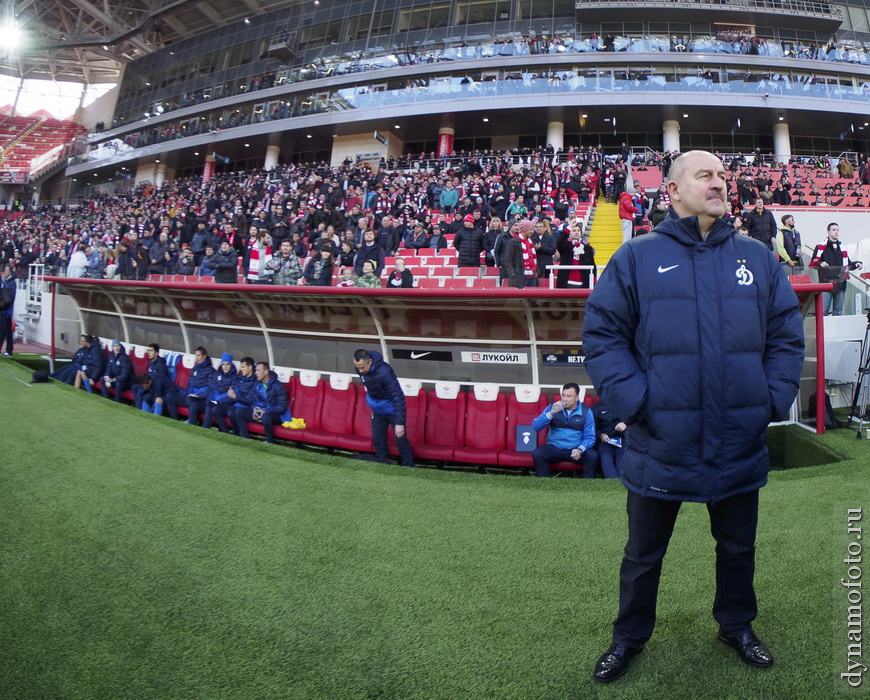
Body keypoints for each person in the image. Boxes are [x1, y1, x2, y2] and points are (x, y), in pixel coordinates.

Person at [583, 150, 804, 683]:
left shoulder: (757, 256)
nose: (719, 183)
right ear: (674, 192)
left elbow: (785, 337)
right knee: (643, 555)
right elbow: (603, 335)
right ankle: (629, 637)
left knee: (737, 548)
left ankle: (737, 626)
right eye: (704, 175)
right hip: (661, 442)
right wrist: (639, 405)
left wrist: (770, 402)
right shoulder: (635, 257)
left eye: (723, 176)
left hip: (738, 440)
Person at [353, 349, 414, 467]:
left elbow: (398, 397)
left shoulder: (385, 372)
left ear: (370, 361)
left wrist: (399, 422)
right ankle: (383, 465)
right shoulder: (360, 369)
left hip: (392, 409)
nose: (359, 370)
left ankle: (409, 467)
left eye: (362, 367)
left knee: (400, 439)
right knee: (378, 440)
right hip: (378, 410)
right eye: (357, 367)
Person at [530, 383, 598, 477]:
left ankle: (587, 486)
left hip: (575, 448)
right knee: (538, 454)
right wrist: (551, 413)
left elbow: (590, 437)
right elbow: (536, 426)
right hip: (555, 447)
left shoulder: (586, 411)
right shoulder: (552, 407)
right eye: (563, 395)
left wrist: (580, 449)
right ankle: (545, 483)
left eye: (569, 396)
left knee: (592, 456)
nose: (564, 399)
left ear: (577, 398)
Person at [809, 222, 863, 316]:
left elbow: (848, 265)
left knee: (838, 311)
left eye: (837, 230)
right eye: (834, 230)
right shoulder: (820, 247)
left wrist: (857, 264)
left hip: (840, 284)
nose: (836, 232)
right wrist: (821, 263)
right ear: (828, 232)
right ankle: (823, 330)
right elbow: (814, 262)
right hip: (826, 283)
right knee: (823, 311)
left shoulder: (842, 248)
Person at [230, 361, 288, 444]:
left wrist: (265, 411)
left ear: (266, 372)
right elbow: (254, 401)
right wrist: (256, 410)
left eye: (258, 370)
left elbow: (282, 407)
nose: (255, 373)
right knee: (239, 412)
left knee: (265, 416)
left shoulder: (278, 386)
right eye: (255, 370)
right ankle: (244, 438)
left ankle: (269, 441)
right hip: (261, 411)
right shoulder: (257, 384)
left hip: (275, 414)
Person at [164, 346, 215, 424]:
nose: (197, 357)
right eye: (196, 355)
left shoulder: (211, 370)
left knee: (191, 400)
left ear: (204, 356)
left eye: (198, 355)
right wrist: (188, 393)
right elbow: (190, 383)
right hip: (190, 396)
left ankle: (191, 422)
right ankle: (175, 421)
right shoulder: (195, 368)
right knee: (170, 396)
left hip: (200, 399)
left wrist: (198, 395)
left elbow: (211, 389)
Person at [201, 353, 239, 433]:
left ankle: (207, 430)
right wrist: (210, 400)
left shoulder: (235, 377)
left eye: (227, 364)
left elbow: (231, 396)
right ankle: (207, 430)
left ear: (231, 365)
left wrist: (218, 401)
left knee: (213, 408)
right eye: (223, 364)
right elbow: (211, 389)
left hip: (226, 404)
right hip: (215, 402)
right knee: (209, 406)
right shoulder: (217, 374)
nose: (225, 367)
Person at [592, 399, 626, 478]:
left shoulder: (626, 406)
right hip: (604, 440)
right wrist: (601, 435)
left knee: (621, 457)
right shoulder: (597, 408)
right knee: (605, 456)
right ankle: (612, 483)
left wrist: (626, 424)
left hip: (622, 438)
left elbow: (636, 421)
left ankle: (622, 482)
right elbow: (592, 428)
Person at [0, 264, 15, 356]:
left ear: (10, 272)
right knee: (4, 331)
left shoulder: (11, 283)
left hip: (7, 310)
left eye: (6, 270)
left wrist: (3, 305)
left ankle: (9, 350)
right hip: (3, 310)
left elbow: (10, 298)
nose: (4, 272)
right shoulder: (4, 281)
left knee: (5, 331)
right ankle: (9, 350)